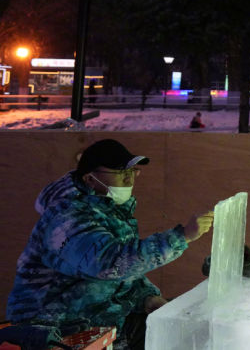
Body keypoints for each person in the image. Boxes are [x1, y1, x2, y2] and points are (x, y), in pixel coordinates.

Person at [6, 139, 214, 349]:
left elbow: (121, 277)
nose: (129, 178)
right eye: (120, 172)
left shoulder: (110, 211)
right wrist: (181, 237)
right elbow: (109, 264)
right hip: (53, 329)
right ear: (90, 179)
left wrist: (145, 298)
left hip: (97, 318)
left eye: (132, 171)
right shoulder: (66, 218)